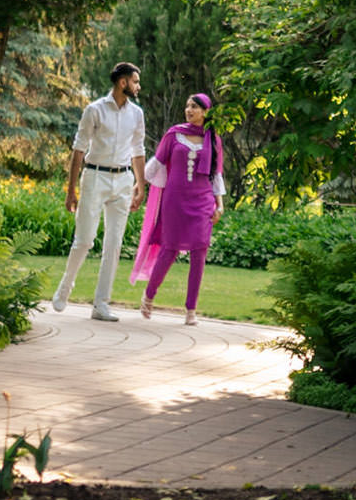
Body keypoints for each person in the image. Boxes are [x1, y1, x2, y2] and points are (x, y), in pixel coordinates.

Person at [52, 62, 146, 320]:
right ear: (123, 82)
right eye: (135, 82)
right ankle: (65, 286)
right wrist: (71, 191)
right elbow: (78, 151)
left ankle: (101, 304)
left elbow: (139, 150)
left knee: (114, 245)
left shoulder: (137, 114)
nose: (138, 86)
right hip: (94, 177)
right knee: (84, 241)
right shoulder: (94, 110)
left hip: (123, 181)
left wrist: (141, 186)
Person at [131, 92, 226, 325]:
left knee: (199, 253)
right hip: (174, 201)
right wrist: (138, 185)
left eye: (194, 107)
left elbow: (217, 175)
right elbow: (156, 165)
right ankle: (149, 296)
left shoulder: (213, 139)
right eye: (187, 106)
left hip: (203, 201)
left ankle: (191, 310)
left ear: (205, 112)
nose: (189, 110)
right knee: (169, 249)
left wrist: (220, 205)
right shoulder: (174, 135)